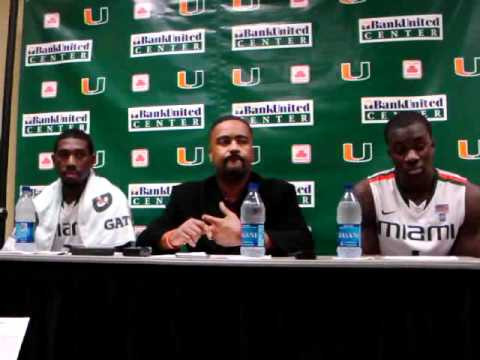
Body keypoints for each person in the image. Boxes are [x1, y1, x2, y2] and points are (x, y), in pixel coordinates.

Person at [137, 115, 313, 256]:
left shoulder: (279, 192)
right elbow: (144, 241)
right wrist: (171, 238)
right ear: (211, 154)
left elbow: (304, 242)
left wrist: (246, 236)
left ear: (252, 152)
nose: (234, 147)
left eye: (242, 141)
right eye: (224, 141)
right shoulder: (186, 195)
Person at [354, 111, 480, 256]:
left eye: (419, 147)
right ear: (390, 154)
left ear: (432, 145)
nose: (411, 157)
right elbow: (365, 264)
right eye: (401, 150)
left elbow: (466, 265)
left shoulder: (468, 198)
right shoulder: (368, 195)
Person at [5, 129, 135, 251]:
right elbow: (14, 251)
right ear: (54, 160)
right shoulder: (40, 202)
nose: (71, 162)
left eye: (79, 155)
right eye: (64, 155)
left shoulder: (112, 198)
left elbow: (120, 256)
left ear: (92, 160)